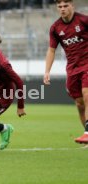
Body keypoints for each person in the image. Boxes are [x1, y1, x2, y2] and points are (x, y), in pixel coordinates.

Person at [43, 0, 88, 144]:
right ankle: (86, 134)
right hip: (72, 69)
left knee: (87, 94)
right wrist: (47, 71)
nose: (62, 9)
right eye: (60, 6)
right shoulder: (55, 28)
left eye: (65, 6)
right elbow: (51, 50)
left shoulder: (84, 20)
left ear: (72, 6)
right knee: (80, 103)